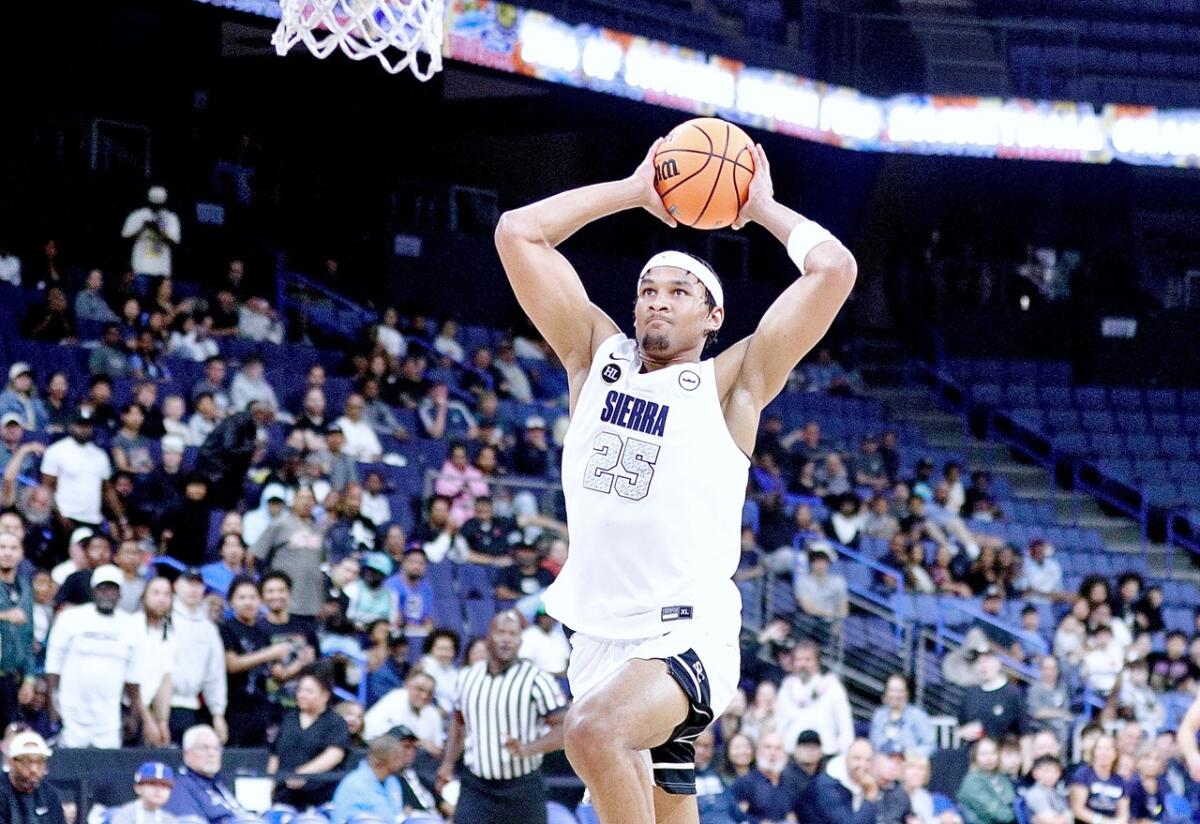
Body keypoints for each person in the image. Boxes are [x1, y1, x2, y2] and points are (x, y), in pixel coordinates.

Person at [495, 136, 855, 823]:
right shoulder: (592, 357)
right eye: (648, 290)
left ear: (713, 316)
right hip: (599, 636)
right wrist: (634, 191)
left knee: (592, 731)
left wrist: (763, 208)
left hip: (685, 631)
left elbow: (834, 270)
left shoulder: (729, 384)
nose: (658, 302)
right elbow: (519, 232)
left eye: (679, 291)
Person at [437, 611, 568, 824]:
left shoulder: (537, 679)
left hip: (522, 787)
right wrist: (448, 763)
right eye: (501, 632)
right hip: (476, 786)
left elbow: (564, 728)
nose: (506, 639)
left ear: (520, 641)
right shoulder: (467, 677)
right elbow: (458, 723)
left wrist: (529, 748)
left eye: (513, 634)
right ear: (488, 636)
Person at [45, 565, 161, 747]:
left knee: (105, 768)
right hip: (71, 712)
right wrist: (53, 703)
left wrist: (133, 714)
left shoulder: (130, 626)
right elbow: (53, 664)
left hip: (108, 717)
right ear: (93, 591)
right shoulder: (71, 618)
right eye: (102, 588)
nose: (107, 593)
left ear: (120, 594)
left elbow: (133, 675)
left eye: (112, 589)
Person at [219, 575, 292, 747]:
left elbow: (273, 672)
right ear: (231, 601)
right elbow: (232, 665)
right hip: (234, 708)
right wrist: (270, 653)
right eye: (242, 598)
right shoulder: (226, 628)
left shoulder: (262, 631)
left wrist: (291, 666)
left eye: (253, 598)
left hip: (261, 708)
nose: (248, 603)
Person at [267, 665, 350, 808]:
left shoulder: (336, 722)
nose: (302, 695)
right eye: (300, 690)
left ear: (325, 695)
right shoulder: (289, 718)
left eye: (309, 691)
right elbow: (275, 755)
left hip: (320, 798)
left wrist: (302, 773)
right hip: (284, 796)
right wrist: (270, 784)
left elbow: (334, 754)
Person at [169, 570, 228, 743]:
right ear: (176, 586)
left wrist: (218, 713)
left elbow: (215, 674)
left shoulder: (208, 628)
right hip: (160, 704)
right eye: (188, 583)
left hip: (191, 706)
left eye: (198, 584)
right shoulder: (163, 618)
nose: (193, 589)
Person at [40, 409, 123, 529]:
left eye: (87, 425)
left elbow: (107, 490)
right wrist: (59, 515)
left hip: (93, 518)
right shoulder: (56, 451)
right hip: (66, 516)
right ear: (72, 425)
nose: (84, 429)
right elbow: (48, 487)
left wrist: (121, 518)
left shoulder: (100, 455)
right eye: (80, 424)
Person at [249, 489, 325, 620]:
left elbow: (321, 565)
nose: (306, 502)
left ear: (315, 503)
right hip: (285, 602)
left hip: (313, 604)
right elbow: (253, 555)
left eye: (310, 498)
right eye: (302, 497)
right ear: (293, 501)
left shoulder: (318, 529)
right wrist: (257, 586)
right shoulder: (280, 523)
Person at [776, 640, 855, 758]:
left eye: (808, 660)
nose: (803, 664)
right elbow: (779, 725)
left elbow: (845, 727)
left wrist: (843, 756)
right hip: (791, 755)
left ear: (818, 662)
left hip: (826, 755)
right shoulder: (785, 690)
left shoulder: (833, 688)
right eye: (799, 660)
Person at [164, 725, 246, 824]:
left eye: (216, 748)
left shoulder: (218, 784)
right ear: (186, 754)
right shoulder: (178, 787)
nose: (212, 754)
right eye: (204, 748)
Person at [795, 738, 880, 824]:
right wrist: (869, 798)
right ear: (846, 759)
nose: (862, 765)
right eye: (857, 758)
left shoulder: (867, 782)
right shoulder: (826, 786)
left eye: (868, 760)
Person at [329, 734, 408, 824]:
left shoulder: (392, 782)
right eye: (396, 759)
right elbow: (341, 819)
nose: (401, 763)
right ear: (379, 760)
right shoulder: (353, 784)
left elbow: (396, 816)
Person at [362, 669, 444, 756]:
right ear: (409, 686)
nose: (424, 696)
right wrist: (417, 743)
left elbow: (437, 749)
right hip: (378, 752)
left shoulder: (433, 714)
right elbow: (372, 729)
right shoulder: (396, 697)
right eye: (420, 689)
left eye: (430, 693)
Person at [0, 533, 34, 728]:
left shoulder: (26, 589)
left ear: (21, 554)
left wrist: (29, 679)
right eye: (2, 547)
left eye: (13, 548)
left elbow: (29, 637)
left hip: (12, 678)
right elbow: (11, 616)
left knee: (11, 738)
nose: (7, 553)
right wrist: (5, 616)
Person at [730, 732, 799, 823]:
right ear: (758, 752)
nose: (773, 753)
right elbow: (735, 815)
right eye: (767, 747)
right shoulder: (744, 783)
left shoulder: (790, 783)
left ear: (785, 754)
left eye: (778, 748)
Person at [0, 731, 65, 824]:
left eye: (39, 762)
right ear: (11, 762)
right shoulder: (2, 792)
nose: (33, 769)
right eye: (26, 762)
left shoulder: (49, 795)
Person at [122, 186, 181, 282]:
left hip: (161, 269)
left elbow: (175, 242)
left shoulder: (171, 217)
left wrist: (158, 230)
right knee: (137, 295)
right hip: (140, 267)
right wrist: (142, 228)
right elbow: (125, 238)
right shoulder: (138, 215)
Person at [869, 674, 936, 757]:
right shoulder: (879, 715)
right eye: (891, 690)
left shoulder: (918, 715)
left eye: (899, 690)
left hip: (910, 764)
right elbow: (873, 744)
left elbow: (930, 746)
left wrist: (910, 754)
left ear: (907, 693)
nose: (895, 694)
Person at [1068, 733, 1129, 824]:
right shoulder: (1083, 774)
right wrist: (1103, 822)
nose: (1103, 752)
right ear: (1094, 752)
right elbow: (1078, 810)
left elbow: (1123, 814)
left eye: (1108, 749)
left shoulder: (1120, 781)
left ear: (1115, 753)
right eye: (1099, 748)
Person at [955, 738, 1016, 824]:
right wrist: (1017, 816)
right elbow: (994, 811)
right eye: (983, 754)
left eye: (993, 753)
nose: (989, 758)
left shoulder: (1001, 777)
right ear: (975, 757)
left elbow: (1012, 800)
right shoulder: (972, 781)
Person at [693, 727, 748, 824]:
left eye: (706, 746)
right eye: (696, 745)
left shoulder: (718, 776)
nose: (700, 751)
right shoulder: (679, 780)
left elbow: (738, 814)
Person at [108, 762, 179, 824]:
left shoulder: (169, 820)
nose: (158, 789)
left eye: (164, 785)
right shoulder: (125, 814)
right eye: (152, 783)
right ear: (138, 788)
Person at [519, 605, 571, 678]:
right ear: (538, 618)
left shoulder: (559, 636)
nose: (548, 620)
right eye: (544, 616)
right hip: (538, 679)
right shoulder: (528, 635)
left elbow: (568, 661)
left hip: (563, 680)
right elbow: (524, 662)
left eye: (550, 617)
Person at [1022, 756, 1070, 824]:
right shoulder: (1035, 793)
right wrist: (1064, 818)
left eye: (1055, 771)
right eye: (1046, 771)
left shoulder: (1056, 791)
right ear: (1035, 773)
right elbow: (1051, 822)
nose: (1051, 775)